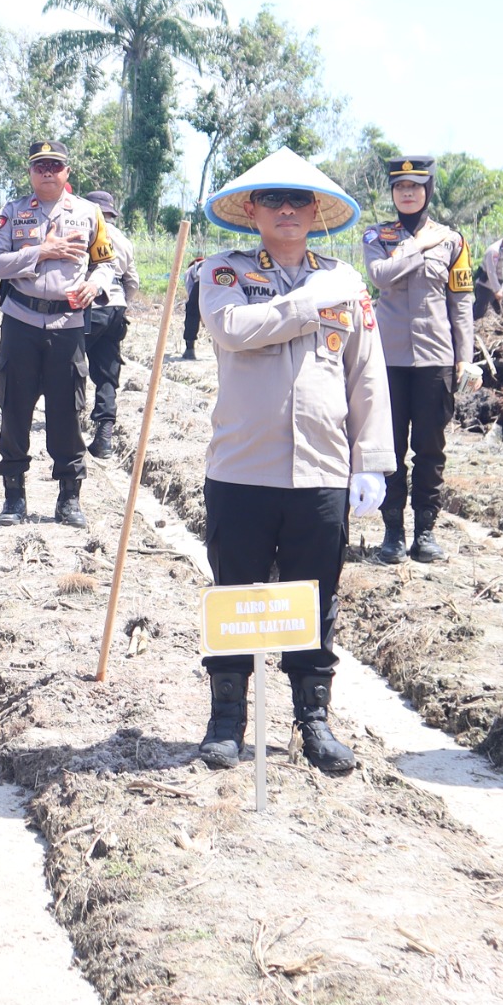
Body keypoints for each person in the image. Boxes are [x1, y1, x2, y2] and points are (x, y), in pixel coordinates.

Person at [190, 149, 390, 777]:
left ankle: (314, 721)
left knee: (315, 597)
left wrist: (372, 461)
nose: (286, 210)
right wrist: (310, 303)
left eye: (298, 201)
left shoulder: (345, 282)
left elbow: (366, 373)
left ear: (314, 212)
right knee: (236, 593)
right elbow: (234, 331)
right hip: (242, 469)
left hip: (322, 469)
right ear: (251, 210)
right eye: (272, 200)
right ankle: (226, 723)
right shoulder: (225, 272)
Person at [0, 141, 116, 527]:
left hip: (68, 326)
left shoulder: (89, 213)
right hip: (21, 322)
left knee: (67, 413)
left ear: (66, 172)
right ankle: (13, 497)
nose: (47, 172)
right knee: (15, 409)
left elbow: (106, 262)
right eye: (39, 166)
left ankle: (69, 498)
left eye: (54, 165)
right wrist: (41, 250)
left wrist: (96, 285)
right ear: (30, 172)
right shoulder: (11, 214)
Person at [361, 154, 476, 564]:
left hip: (435, 359)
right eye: (400, 187)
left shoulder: (453, 240)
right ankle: (392, 533)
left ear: (427, 190)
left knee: (431, 448)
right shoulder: (377, 237)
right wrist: (415, 246)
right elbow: (380, 276)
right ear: (392, 192)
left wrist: (465, 356)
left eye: (415, 186)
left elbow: (460, 302)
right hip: (387, 360)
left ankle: (425, 532)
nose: (407, 193)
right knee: (389, 449)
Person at [81, 190, 143, 458]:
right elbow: (133, 282)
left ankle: (69, 426)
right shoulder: (123, 240)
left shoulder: (83, 233)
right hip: (115, 309)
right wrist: (120, 304)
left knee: (71, 365)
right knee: (107, 371)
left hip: (87, 306)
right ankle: (103, 436)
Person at [177, 253, 205, 361]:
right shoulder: (208, 264)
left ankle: (189, 350)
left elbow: (190, 289)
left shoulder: (190, 270)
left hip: (202, 282)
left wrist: (195, 308)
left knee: (192, 313)